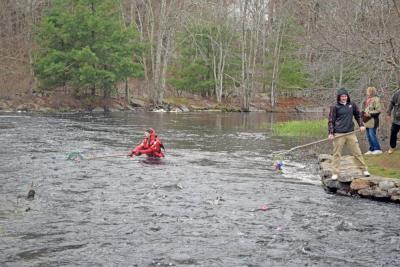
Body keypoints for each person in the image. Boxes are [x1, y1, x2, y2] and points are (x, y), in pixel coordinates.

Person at [328, 88, 370, 180]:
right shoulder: (334, 106)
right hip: (338, 134)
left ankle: (364, 170)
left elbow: (358, 115)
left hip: (350, 133)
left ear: (347, 96)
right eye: (342, 96)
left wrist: (361, 125)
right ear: (339, 97)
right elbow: (331, 120)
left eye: (345, 96)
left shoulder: (352, 104)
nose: (344, 98)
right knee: (337, 154)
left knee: (357, 152)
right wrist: (331, 133)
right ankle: (335, 173)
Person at [361, 86, 382, 155]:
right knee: (368, 135)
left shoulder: (376, 99)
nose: (368, 93)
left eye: (369, 91)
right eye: (368, 91)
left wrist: (370, 114)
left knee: (372, 134)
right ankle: (371, 149)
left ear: (372, 92)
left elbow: (378, 110)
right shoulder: (367, 100)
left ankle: (377, 149)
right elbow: (366, 109)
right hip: (367, 121)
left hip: (373, 120)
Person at [386, 88, 400, 154]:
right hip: (397, 119)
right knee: (393, 132)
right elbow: (391, 103)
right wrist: (388, 112)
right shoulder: (396, 94)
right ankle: (392, 147)